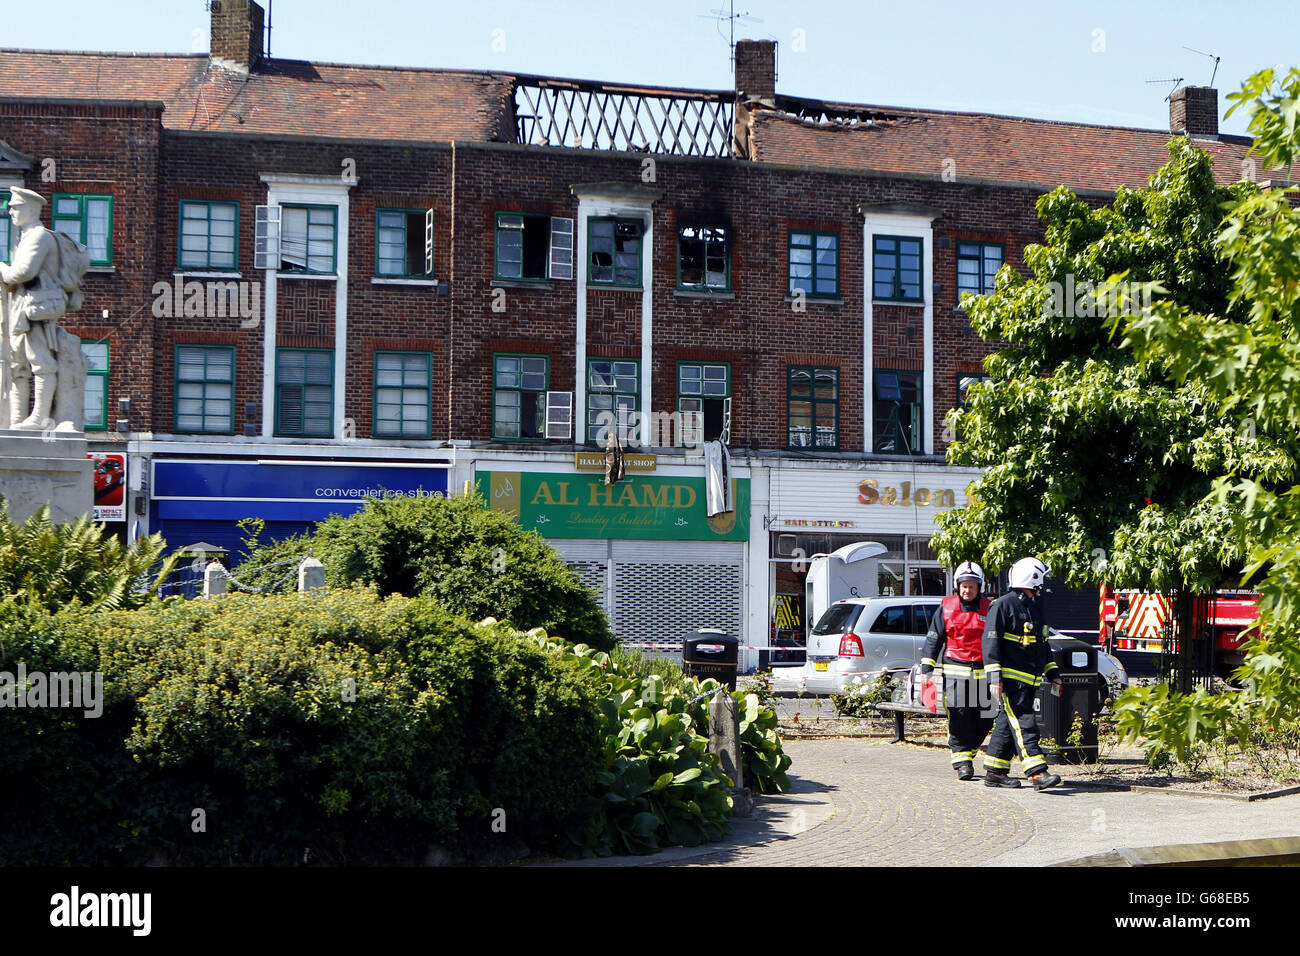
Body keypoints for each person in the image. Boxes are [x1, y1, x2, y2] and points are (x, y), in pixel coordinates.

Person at [982, 556, 1063, 790]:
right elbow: (990, 644)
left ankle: (995, 772)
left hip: (1029, 681)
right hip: (1011, 681)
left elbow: (1042, 645)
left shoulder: (1034, 609)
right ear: (1033, 577)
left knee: (1007, 725)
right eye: (1041, 578)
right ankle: (1037, 773)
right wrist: (994, 679)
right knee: (1025, 723)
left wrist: (1053, 673)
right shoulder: (1002, 605)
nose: (1043, 584)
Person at [920, 561, 994, 781]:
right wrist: (927, 668)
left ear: (979, 587)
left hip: (983, 672)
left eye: (972, 586)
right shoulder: (946, 607)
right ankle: (962, 763)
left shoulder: (989, 608)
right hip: (956, 671)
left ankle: (967, 753)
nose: (967, 590)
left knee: (986, 718)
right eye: (963, 585)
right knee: (960, 717)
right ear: (957, 585)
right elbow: (934, 638)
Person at [0, 186, 63, 429]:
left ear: (31, 209)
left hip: (37, 308)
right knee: (18, 364)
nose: (9, 211)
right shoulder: (25, 236)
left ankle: (38, 417)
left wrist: (2, 268)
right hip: (21, 308)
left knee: (40, 361)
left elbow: (23, 272)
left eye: (15, 207)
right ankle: (17, 420)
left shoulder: (39, 236)